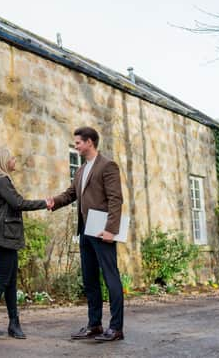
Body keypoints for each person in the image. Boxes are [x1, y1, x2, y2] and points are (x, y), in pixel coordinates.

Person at [46, 126, 125, 342]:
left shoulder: (107, 165)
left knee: (111, 278)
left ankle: (116, 328)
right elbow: (72, 193)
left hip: (102, 231)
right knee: (90, 279)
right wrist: (55, 201)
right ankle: (95, 325)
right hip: (85, 230)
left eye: (78, 142)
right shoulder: (81, 170)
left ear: (90, 142)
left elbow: (116, 199)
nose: (76, 146)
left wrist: (111, 230)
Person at [0, 148, 48, 339]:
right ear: (4, 162)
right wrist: (46, 202)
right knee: (2, 281)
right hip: (3, 239)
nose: (14, 160)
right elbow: (18, 203)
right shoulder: (1, 181)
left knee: (10, 284)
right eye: (12, 158)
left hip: (5, 238)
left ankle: (14, 324)